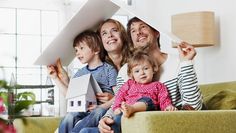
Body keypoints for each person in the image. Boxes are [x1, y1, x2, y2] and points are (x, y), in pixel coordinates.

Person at [80, 17, 203, 133]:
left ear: (156, 32)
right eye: (133, 31)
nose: (138, 32)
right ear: (131, 40)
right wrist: (106, 118)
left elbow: (193, 108)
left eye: (143, 27)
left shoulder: (179, 62)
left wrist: (186, 62)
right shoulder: (125, 71)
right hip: (125, 126)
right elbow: (118, 102)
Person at [68, 19, 132, 133]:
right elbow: (72, 94)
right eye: (104, 33)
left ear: (123, 34)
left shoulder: (134, 63)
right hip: (98, 114)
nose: (110, 35)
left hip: (117, 113)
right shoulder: (95, 67)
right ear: (100, 42)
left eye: (114, 30)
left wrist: (112, 99)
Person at [47, 30, 118, 133]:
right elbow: (70, 95)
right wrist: (55, 78)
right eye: (76, 50)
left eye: (81, 48)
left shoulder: (109, 69)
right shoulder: (80, 73)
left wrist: (101, 106)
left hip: (103, 109)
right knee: (70, 115)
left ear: (96, 49)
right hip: (84, 110)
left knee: (98, 111)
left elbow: (119, 95)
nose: (78, 53)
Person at [113, 50, 177, 119]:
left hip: (148, 110)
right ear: (132, 74)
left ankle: (132, 108)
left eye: (146, 68)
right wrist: (117, 108)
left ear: (153, 69)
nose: (142, 73)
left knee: (147, 100)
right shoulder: (129, 84)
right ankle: (127, 111)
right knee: (116, 119)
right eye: (137, 71)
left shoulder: (158, 86)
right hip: (127, 111)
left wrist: (168, 107)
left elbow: (164, 99)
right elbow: (119, 96)